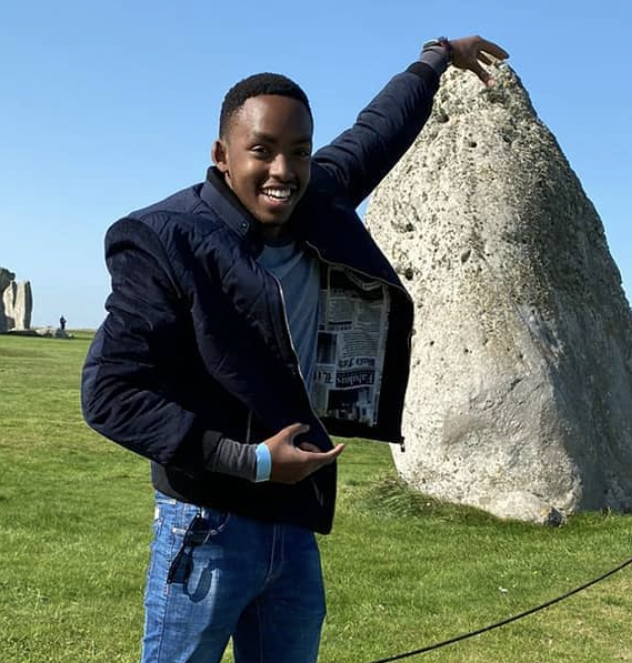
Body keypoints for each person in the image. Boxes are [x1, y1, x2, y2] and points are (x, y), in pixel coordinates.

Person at [81, 33, 508, 663]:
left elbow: (379, 129)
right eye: (263, 151)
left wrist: (436, 56)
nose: (283, 170)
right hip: (206, 521)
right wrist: (248, 460)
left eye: (299, 152)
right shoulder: (163, 239)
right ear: (222, 155)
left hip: (295, 518)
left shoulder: (320, 197)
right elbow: (109, 394)